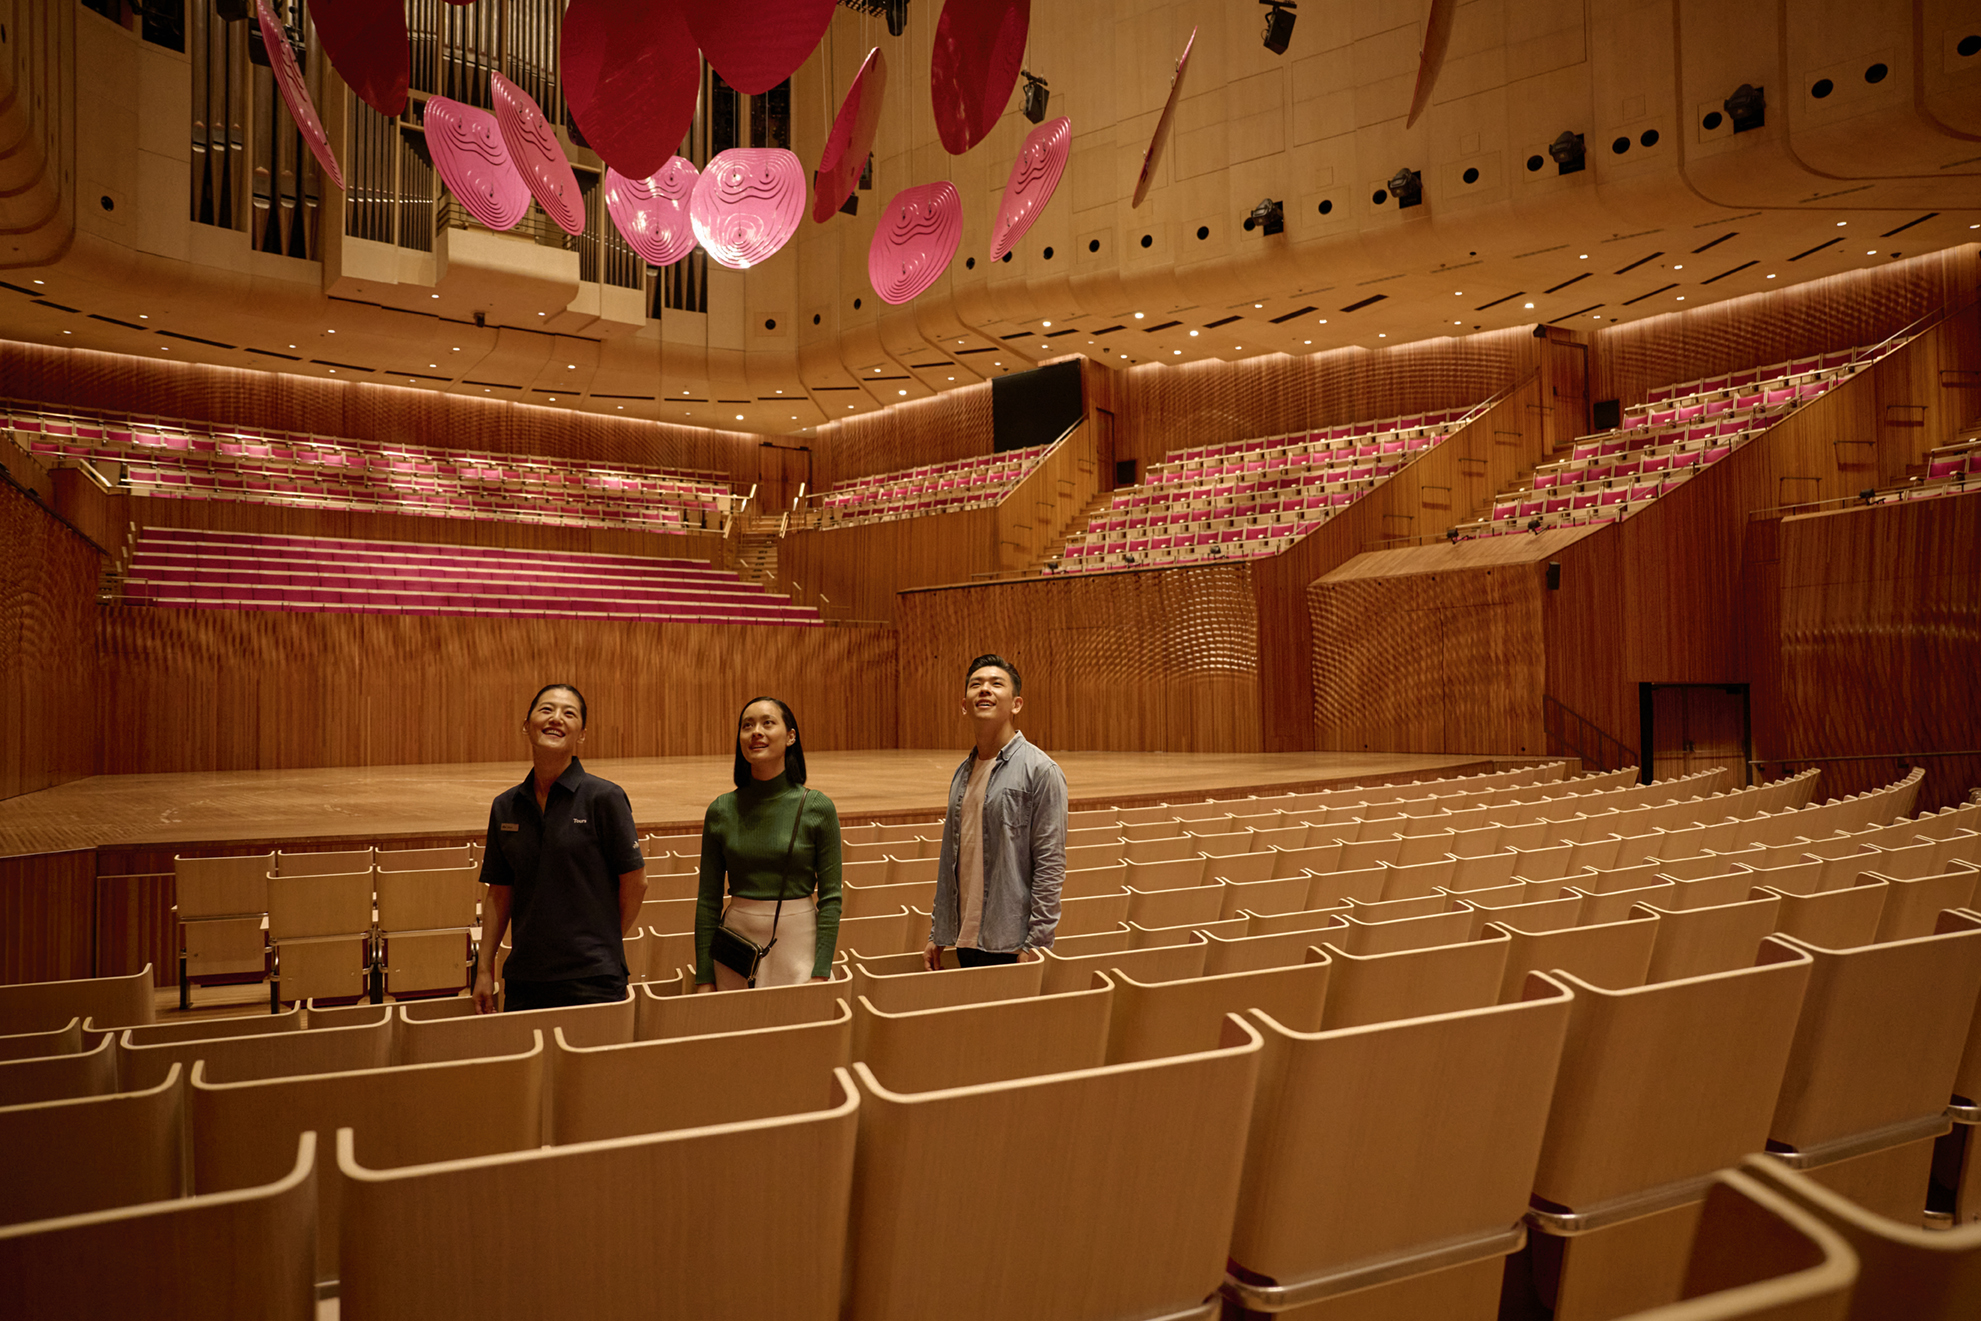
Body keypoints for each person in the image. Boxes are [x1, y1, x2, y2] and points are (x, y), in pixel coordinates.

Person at [473, 683, 647, 1013]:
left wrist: (601, 944)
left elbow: (636, 883)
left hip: (593, 979)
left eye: (569, 713)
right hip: (525, 978)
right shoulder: (506, 806)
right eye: (546, 709)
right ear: (526, 724)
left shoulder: (605, 798)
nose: (556, 718)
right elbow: (499, 892)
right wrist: (485, 969)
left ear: (581, 734)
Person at [925, 654, 1067, 970]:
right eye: (977, 684)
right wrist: (939, 930)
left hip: (1011, 942)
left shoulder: (1041, 771)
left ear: (1016, 704)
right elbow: (951, 859)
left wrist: (1037, 943)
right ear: (964, 704)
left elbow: (1050, 862)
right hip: (965, 937)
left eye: (996, 684)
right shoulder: (963, 773)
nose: (985, 690)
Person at [694, 696, 843, 991]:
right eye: (747, 726)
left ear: (790, 737)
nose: (756, 732)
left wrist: (822, 969)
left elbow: (831, 898)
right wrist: (704, 976)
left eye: (767, 723)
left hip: (799, 942)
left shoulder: (817, 807)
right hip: (737, 944)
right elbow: (708, 902)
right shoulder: (720, 811)